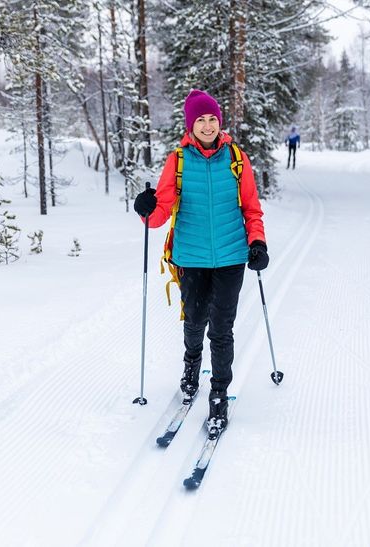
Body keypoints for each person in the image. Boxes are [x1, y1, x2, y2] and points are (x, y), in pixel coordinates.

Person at [132, 89, 269, 432]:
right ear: (190, 125)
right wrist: (146, 210)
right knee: (194, 320)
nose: (207, 126)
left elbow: (252, 208)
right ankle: (191, 365)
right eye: (200, 120)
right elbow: (161, 210)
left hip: (231, 256)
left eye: (212, 119)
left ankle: (219, 395)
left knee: (222, 329)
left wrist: (258, 243)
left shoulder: (237, 158)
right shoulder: (177, 161)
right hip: (190, 256)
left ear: (219, 122)